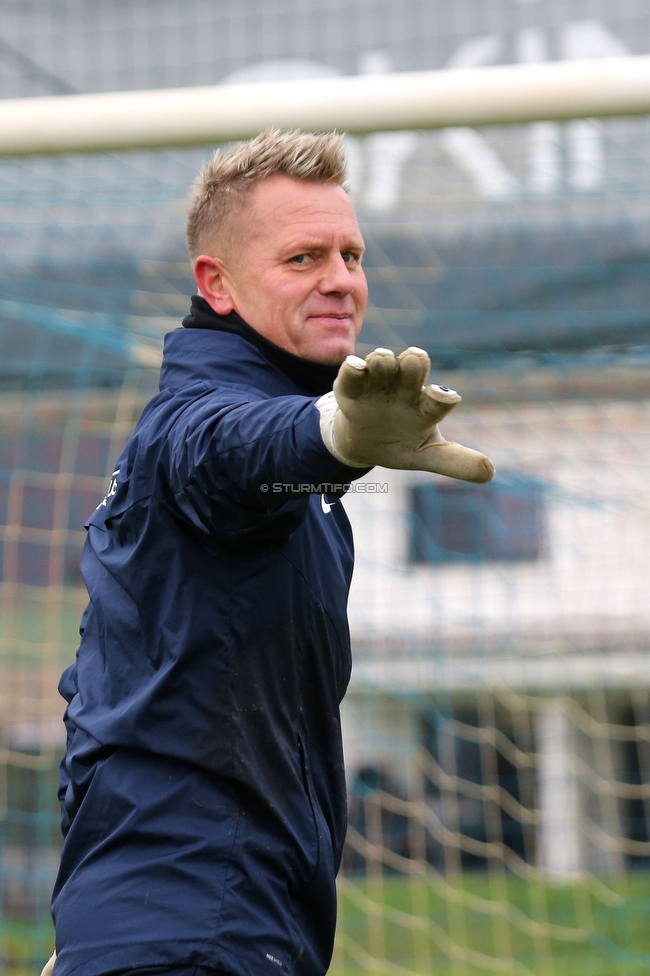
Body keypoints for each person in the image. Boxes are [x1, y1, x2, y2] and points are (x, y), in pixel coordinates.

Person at [45, 130, 493, 976]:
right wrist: (335, 431)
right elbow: (234, 448)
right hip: (193, 931)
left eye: (351, 254)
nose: (341, 279)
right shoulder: (194, 426)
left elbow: (100, 696)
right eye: (302, 257)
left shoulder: (289, 472)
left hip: (185, 922)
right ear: (216, 282)